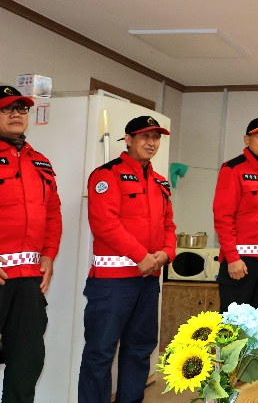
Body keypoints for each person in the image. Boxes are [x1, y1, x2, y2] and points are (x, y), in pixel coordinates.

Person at [79, 116, 176, 403]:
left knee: (139, 349)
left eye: (156, 137)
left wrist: (166, 253)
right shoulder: (106, 175)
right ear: (129, 139)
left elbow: (169, 225)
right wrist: (141, 256)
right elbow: (104, 224)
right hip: (112, 285)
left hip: (147, 283)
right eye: (145, 136)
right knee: (100, 352)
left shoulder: (160, 182)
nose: (151, 142)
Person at [0, 86, 62, 403]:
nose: (16, 114)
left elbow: (52, 213)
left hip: (28, 282)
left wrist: (49, 255)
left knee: (27, 361)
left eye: (21, 109)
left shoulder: (41, 163)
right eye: (7, 109)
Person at [213, 117, 258, 319]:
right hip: (240, 264)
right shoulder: (233, 168)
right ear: (246, 139)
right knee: (236, 325)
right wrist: (232, 258)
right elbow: (223, 217)